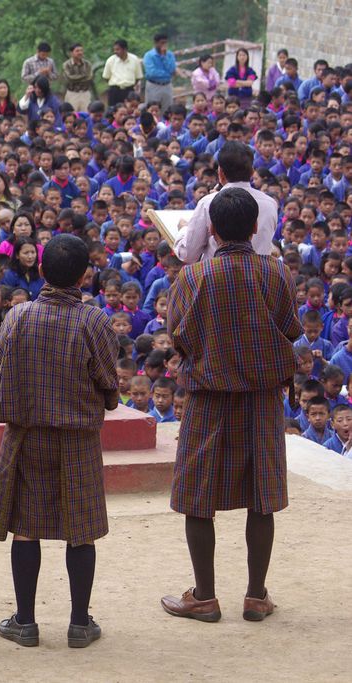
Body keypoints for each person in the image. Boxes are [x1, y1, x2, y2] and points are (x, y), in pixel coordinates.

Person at [161, 187, 302, 624]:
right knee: (262, 496)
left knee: (197, 497)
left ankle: (204, 596)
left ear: (213, 230)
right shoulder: (277, 274)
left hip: (208, 398)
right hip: (261, 399)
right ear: (257, 227)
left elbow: (178, 335)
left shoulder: (192, 277)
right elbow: (290, 328)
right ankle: (256, 596)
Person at [0, 233, 119, 649]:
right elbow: (110, 387)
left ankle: (25, 622)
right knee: (81, 530)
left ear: (41, 270)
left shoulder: (18, 317)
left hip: (26, 436)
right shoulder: (94, 321)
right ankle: (80, 623)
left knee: (26, 527)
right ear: (85, 275)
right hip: (77, 438)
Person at [175, 141, 277, 263]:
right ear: (252, 172)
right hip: (259, 278)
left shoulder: (208, 203)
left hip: (216, 277)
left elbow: (188, 254)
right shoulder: (270, 204)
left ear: (220, 173)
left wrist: (183, 230)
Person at [143, 33, 181, 111]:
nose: (164, 45)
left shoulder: (169, 55)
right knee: (153, 109)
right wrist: (167, 74)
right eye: (162, 43)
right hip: (154, 85)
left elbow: (172, 69)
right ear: (156, 43)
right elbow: (151, 73)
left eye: (165, 42)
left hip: (167, 85)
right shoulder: (149, 56)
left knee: (167, 109)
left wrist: (164, 57)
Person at [102, 39, 144, 108]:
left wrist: (129, 84)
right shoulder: (110, 60)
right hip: (114, 91)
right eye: (114, 50)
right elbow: (106, 77)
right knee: (113, 112)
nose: (115, 52)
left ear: (125, 49)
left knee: (129, 112)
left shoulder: (134, 59)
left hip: (129, 91)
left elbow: (138, 77)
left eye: (118, 49)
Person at [61, 43, 93, 113]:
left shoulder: (87, 64)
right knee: (71, 114)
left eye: (81, 50)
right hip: (72, 93)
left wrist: (76, 78)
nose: (80, 53)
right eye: (77, 51)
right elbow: (69, 78)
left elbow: (89, 77)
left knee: (86, 114)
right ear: (71, 53)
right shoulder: (66, 65)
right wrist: (83, 76)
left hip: (85, 93)